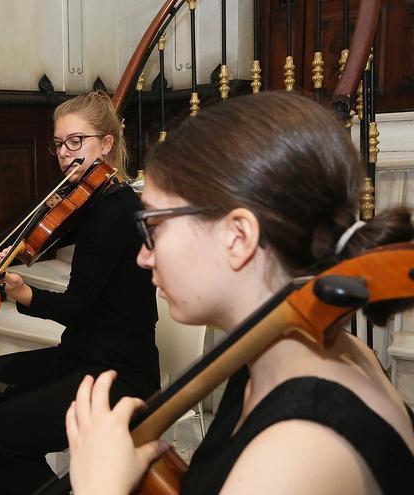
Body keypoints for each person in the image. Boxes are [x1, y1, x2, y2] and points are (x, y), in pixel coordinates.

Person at [65, 92, 414, 495]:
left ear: (238, 236)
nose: (144, 256)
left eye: (153, 227)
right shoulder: (268, 358)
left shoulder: (297, 453)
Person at [0, 92, 160, 494]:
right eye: (59, 144)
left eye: (76, 141)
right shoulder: (90, 202)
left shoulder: (115, 212)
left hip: (115, 374)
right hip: (78, 357)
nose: (64, 153)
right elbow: (33, 240)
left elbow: (77, 307)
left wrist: (23, 295)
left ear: (107, 144)